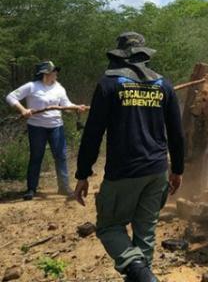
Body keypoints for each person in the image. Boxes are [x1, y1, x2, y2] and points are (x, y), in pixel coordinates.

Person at [74, 32, 184, 282]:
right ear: (144, 56)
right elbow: (177, 134)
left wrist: (83, 174)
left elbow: (92, 134)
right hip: (157, 171)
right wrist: (177, 169)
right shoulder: (163, 85)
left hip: (124, 172)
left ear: (120, 56)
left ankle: (142, 276)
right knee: (145, 232)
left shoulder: (109, 84)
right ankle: (144, 276)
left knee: (109, 227)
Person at [5, 61, 85, 200]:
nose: (56, 73)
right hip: (36, 127)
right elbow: (10, 97)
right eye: (53, 71)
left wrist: (77, 107)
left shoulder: (59, 88)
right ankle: (31, 189)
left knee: (60, 156)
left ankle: (64, 187)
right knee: (36, 156)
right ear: (45, 74)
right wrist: (23, 110)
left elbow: (66, 105)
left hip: (56, 126)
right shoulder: (31, 86)